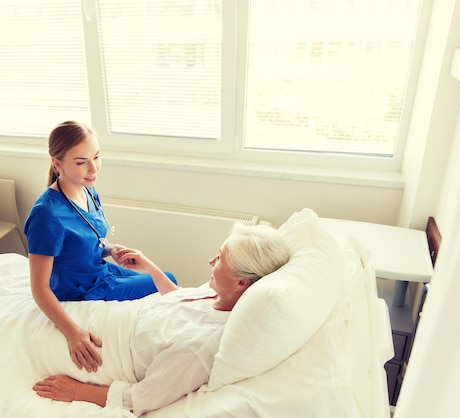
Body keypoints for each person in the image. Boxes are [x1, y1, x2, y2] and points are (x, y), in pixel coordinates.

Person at [32, 222, 291, 416]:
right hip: (113, 316)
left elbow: (141, 397)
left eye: (220, 258)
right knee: (36, 315)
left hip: (103, 351)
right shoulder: (214, 297)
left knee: (20, 333)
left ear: (242, 283)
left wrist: (77, 392)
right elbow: (178, 304)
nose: (211, 261)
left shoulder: (199, 347)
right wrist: (149, 267)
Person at [24, 121, 176, 373]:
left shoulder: (87, 190)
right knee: (167, 281)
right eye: (81, 161)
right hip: (83, 291)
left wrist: (110, 250)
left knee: (164, 283)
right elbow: (39, 289)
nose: (93, 169)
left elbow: (86, 239)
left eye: (96, 157)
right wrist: (73, 332)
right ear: (57, 163)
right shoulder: (46, 216)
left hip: (102, 271)